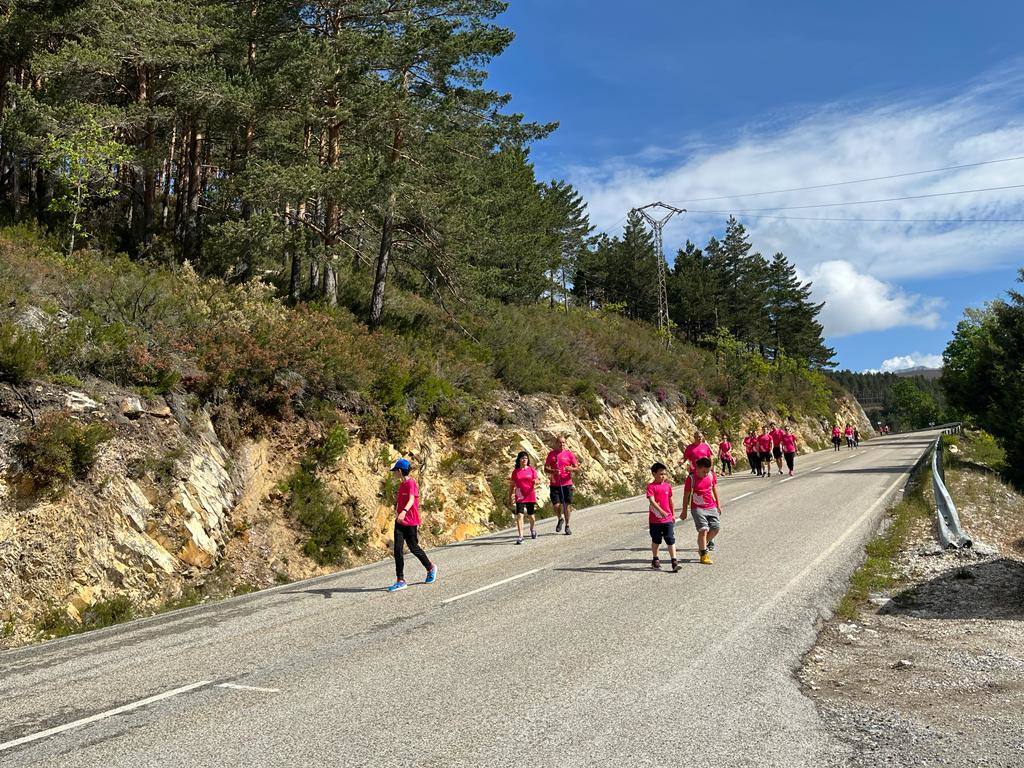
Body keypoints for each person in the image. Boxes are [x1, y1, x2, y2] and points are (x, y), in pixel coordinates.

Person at [387, 458, 437, 592]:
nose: (393, 474)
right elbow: (400, 502)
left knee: (414, 548)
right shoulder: (402, 485)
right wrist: (398, 514)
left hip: (410, 521)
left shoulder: (411, 483)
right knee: (397, 550)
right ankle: (400, 580)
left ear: (399, 471)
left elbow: (410, 500)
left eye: (394, 471)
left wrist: (403, 512)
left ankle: (430, 567)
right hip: (400, 522)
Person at [682, 457, 722, 565]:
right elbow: (686, 495)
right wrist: (684, 511)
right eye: (704, 471)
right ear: (697, 468)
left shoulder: (711, 475)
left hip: (711, 506)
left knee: (716, 528)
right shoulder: (691, 478)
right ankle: (704, 554)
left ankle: (702, 545)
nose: (706, 474)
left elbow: (714, 489)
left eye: (707, 471)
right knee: (703, 529)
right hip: (697, 508)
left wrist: (718, 505)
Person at [646, 462, 679, 572]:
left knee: (670, 539)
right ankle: (655, 559)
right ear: (654, 474)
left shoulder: (667, 486)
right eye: (660, 474)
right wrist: (661, 511)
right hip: (655, 520)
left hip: (667, 519)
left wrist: (673, 514)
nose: (663, 476)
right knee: (656, 540)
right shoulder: (651, 487)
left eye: (664, 474)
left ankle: (674, 561)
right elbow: (652, 501)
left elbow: (670, 501)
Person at [545, 435, 580, 535]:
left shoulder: (569, 454)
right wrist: (553, 471)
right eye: (560, 442)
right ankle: (560, 518)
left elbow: (577, 468)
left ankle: (567, 526)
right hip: (555, 483)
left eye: (563, 442)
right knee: (556, 505)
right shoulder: (551, 454)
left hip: (567, 483)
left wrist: (571, 469)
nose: (562, 444)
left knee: (567, 505)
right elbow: (546, 468)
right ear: (556, 443)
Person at [509, 451, 538, 545]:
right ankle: (521, 536)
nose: (524, 459)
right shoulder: (515, 472)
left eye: (526, 458)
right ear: (519, 460)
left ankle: (532, 528)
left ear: (528, 460)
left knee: (531, 515)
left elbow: (537, 479)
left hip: (530, 494)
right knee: (520, 515)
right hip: (520, 495)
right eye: (522, 458)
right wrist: (509, 496)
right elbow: (512, 485)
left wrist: (536, 481)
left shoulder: (531, 470)